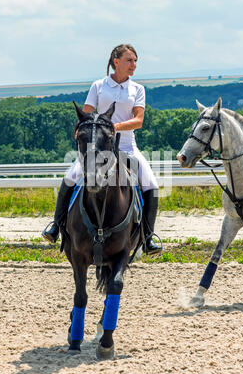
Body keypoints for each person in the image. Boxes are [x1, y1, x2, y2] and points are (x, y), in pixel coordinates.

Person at [42, 44, 162, 253]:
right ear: (116, 62)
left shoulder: (137, 89)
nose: (134, 65)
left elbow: (138, 120)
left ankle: (148, 237)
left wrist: (113, 127)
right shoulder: (98, 86)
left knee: (151, 184)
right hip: (97, 148)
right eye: (129, 60)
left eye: (135, 61)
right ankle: (56, 226)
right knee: (70, 177)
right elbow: (87, 114)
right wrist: (82, 130)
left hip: (126, 146)